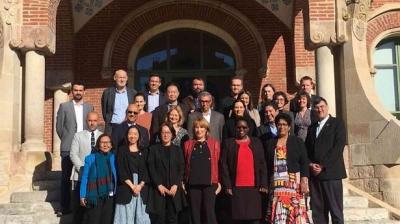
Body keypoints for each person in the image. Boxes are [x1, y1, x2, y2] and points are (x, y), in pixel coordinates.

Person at [305, 97, 346, 224]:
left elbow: (338, 147)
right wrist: (310, 164)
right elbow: (306, 150)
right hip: (315, 177)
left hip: (331, 174)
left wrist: (322, 166)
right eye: (317, 108)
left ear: (327, 107)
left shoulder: (337, 123)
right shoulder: (311, 128)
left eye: (322, 106)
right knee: (318, 213)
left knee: (336, 212)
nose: (320, 109)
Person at [56, 81, 94, 215]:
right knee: (66, 177)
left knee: (85, 176)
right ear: (72, 92)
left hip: (84, 147)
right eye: (76, 90)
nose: (78, 92)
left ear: (84, 92)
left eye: (80, 90)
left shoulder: (89, 107)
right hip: (67, 147)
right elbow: (59, 128)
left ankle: (83, 205)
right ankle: (64, 207)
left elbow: (91, 125)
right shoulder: (64, 106)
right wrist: (67, 139)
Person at [264, 113, 310, 223]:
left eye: (284, 124)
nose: (281, 127)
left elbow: (304, 162)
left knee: (295, 214)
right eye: (279, 124)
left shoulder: (297, 142)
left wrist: (304, 180)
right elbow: (266, 164)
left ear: (289, 127)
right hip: (276, 184)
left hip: (294, 183)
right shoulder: (270, 143)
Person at [220, 118, 268, 224]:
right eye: (239, 127)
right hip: (236, 189)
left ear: (248, 129)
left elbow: (262, 164)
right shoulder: (228, 143)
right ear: (235, 129)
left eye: (244, 127)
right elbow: (224, 166)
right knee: (238, 220)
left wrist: (264, 184)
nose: (241, 129)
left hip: (254, 189)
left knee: (254, 220)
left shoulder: (256, 142)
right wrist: (227, 185)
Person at [183, 118, 221, 224]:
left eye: (202, 127)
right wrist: (184, 181)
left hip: (210, 184)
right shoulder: (188, 144)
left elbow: (219, 164)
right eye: (196, 127)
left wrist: (219, 182)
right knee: (194, 214)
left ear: (206, 130)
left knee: (209, 213)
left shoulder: (214, 144)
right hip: (192, 184)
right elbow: (185, 163)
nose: (199, 130)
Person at [147, 123, 186, 224]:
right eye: (163, 132)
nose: (165, 135)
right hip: (159, 191)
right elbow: (151, 168)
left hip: (174, 191)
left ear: (172, 134)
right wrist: (159, 185)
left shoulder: (177, 150)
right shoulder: (153, 149)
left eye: (168, 132)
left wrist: (176, 185)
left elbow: (181, 168)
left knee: (173, 219)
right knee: (159, 220)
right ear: (160, 134)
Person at [70, 112, 102, 223]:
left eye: (94, 121)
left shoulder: (103, 136)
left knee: (93, 212)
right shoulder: (78, 136)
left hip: (97, 179)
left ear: (98, 121)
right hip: (80, 176)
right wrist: (83, 169)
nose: (92, 123)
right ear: (86, 121)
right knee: (79, 210)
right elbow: (73, 154)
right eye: (90, 120)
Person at [114, 126, 151, 224]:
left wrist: (139, 186)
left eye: (135, 134)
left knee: (141, 217)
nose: (132, 136)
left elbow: (147, 170)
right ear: (127, 135)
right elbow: (121, 170)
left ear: (139, 136)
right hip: (126, 187)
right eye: (130, 133)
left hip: (141, 188)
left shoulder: (145, 151)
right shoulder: (122, 150)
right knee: (125, 218)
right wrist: (132, 186)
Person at [80, 134, 117, 224]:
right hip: (95, 196)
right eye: (102, 142)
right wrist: (82, 195)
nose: (105, 145)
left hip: (110, 195)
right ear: (98, 144)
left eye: (108, 142)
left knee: (107, 220)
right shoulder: (90, 158)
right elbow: (85, 177)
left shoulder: (114, 158)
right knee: (94, 220)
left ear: (111, 145)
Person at [101, 69, 137, 134]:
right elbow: (104, 111)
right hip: (112, 127)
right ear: (115, 78)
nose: (122, 80)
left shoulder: (133, 93)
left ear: (127, 78)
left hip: (128, 127)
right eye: (120, 77)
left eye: (124, 77)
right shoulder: (107, 92)